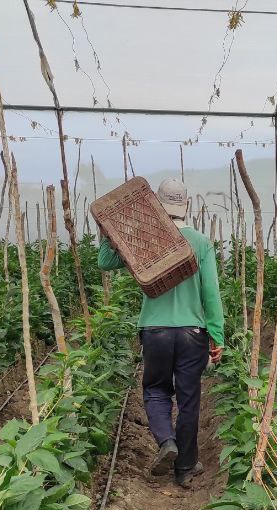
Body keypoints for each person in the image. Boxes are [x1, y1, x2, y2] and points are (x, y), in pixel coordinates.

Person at [98, 177, 225, 488]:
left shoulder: (144, 239)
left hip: (154, 330)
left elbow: (105, 260)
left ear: (155, 204)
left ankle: (166, 440)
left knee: (156, 390)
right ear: (186, 207)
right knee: (189, 398)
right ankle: (184, 467)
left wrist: (108, 233)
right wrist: (217, 337)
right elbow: (211, 293)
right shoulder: (200, 243)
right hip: (192, 332)